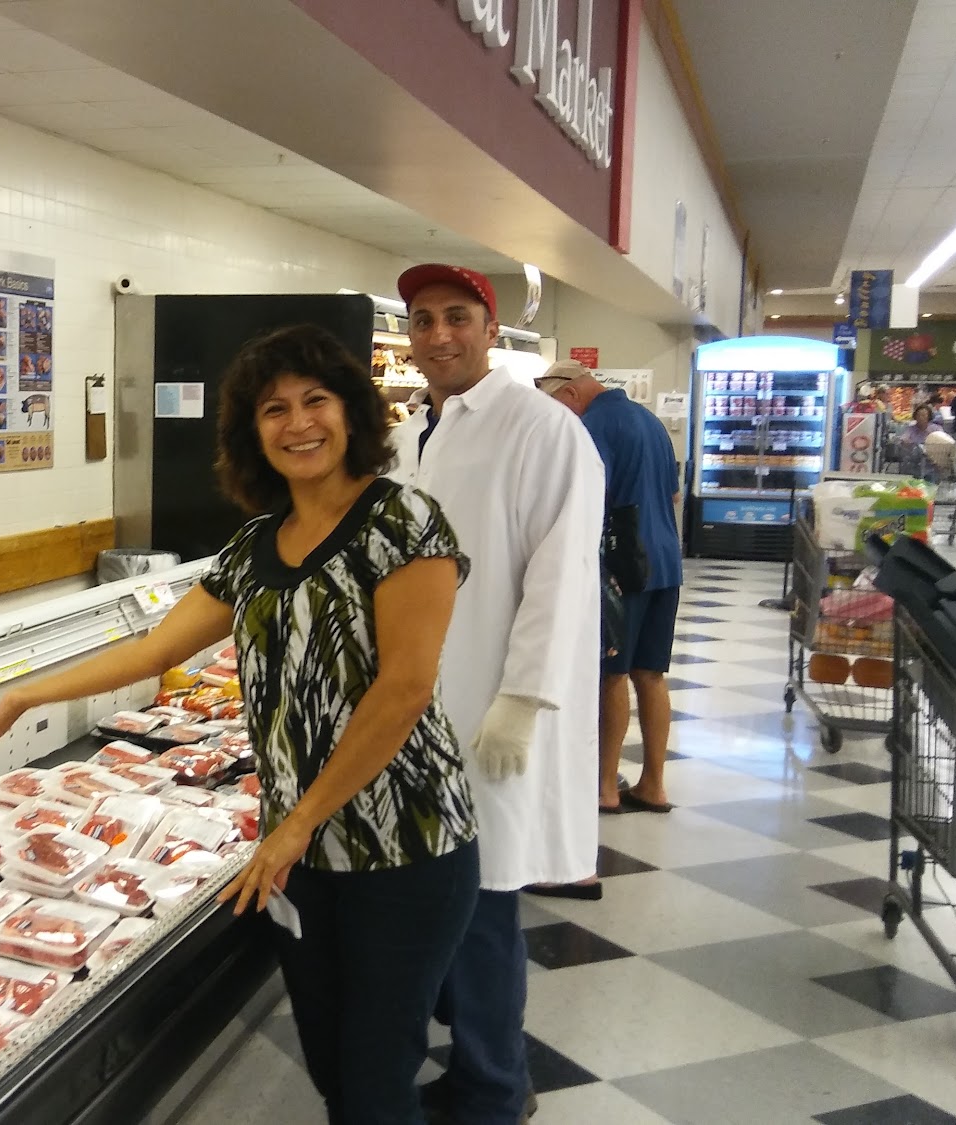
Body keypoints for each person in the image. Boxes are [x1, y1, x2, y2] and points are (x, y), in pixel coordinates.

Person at [0, 324, 479, 1125]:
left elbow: (405, 689)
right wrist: (30, 693)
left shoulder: (402, 520)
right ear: (252, 432)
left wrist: (296, 823)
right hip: (302, 856)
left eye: (315, 400)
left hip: (403, 843)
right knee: (332, 1064)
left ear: (351, 412)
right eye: (274, 409)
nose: (298, 423)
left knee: (377, 1077)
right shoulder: (253, 546)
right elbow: (155, 649)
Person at [389, 265, 604, 1125]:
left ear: (490, 328)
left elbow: (562, 575)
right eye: (422, 320)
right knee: (434, 901)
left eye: (457, 317)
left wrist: (522, 698)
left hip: (487, 711)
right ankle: (471, 1065)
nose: (439, 334)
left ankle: (494, 1087)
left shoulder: (542, 428)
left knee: (481, 903)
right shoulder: (409, 436)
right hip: (410, 709)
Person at [535, 363, 683, 818]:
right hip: (667, 561)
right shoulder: (650, 421)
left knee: (611, 674)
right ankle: (653, 784)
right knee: (651, 674)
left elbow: (586, 499)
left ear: (571, 394)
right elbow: (673, 495)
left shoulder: (594, 424)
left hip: (623, 566)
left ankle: (604, 787)